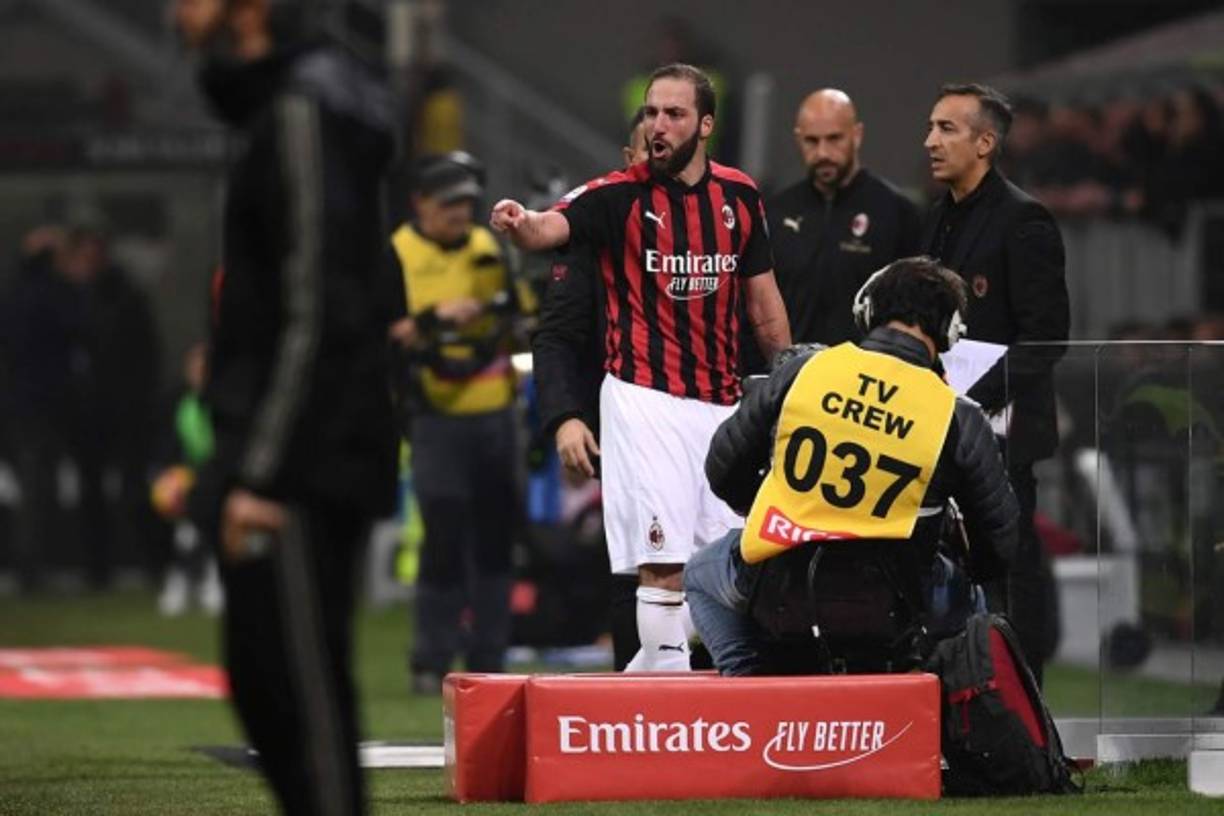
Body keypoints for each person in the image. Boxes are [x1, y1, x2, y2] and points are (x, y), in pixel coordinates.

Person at [173, 1, 398, 813]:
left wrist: (263, 474)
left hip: (302, 466)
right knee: (267, 688)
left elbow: (321, 305)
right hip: (283, 452)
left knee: (302, 705)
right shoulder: (282, 104)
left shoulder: (307, 107)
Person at [492, 63, 791, 671]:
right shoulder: (615, 195)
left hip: (723, 404)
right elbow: (550, 226)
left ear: (705, 125)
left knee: (733, 555)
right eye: (651, 112)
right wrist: (522, 225)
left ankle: (676, 670)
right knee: (661, 557)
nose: (658, 124)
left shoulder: (739, 197)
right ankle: (667, 682)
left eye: (673, 114)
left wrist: (786, 377)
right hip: (644, 398)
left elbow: (762, 299)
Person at [685, 256, 1019, 676]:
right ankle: (946, 710)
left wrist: (770, 503)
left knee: (699, 572)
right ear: (950, 332)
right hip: (897, 602)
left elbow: (722, 470)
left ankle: (752, 687)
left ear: (868, 311)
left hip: (780, 585)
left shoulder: (804, 370)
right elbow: (999, 543)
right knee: (974, 600)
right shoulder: (957, 414)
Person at [921, 83, 1070, 686]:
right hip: (942, 431)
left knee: (1011, 571)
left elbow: (1047, 337)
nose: (930, 141)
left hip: (1003, 435)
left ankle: (1024, 706)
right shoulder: (938, 221)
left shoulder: (1024, 220)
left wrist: (971, 400)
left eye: (946, 129)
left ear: (986, 143)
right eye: (931, 127)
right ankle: (959, 698)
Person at [386, 151, 533, 694]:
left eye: (466, 202)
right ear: (420, 203)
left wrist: (505, 320)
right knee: (443, 539)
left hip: (495, 414)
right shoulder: (397, 254)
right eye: (449, 203)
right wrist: (433, 320)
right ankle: (431, 659)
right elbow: (380, 329)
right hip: (434, 418)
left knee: (496, 541)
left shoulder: (489, 246)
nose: (460, 212)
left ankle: (489, 657)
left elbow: (521, 314)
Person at [532, 108, 649, 671]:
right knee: (633, 565)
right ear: (629, 161)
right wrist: (565, 416)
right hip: (624, 422)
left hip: (711, 419)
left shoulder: (726, 215)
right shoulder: (594, 225)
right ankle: (643, 714)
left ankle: (719, 708)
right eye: (647, 147)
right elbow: (556, 334)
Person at [767, 89, 921, 347]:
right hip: (792, 376)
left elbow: (912, 311)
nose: (823, 153)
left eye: (834, 138)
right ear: (798, 139)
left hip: (864, 378)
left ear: (857, 134)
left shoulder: (897, 212)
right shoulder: (776, 211)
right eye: (811, 141)